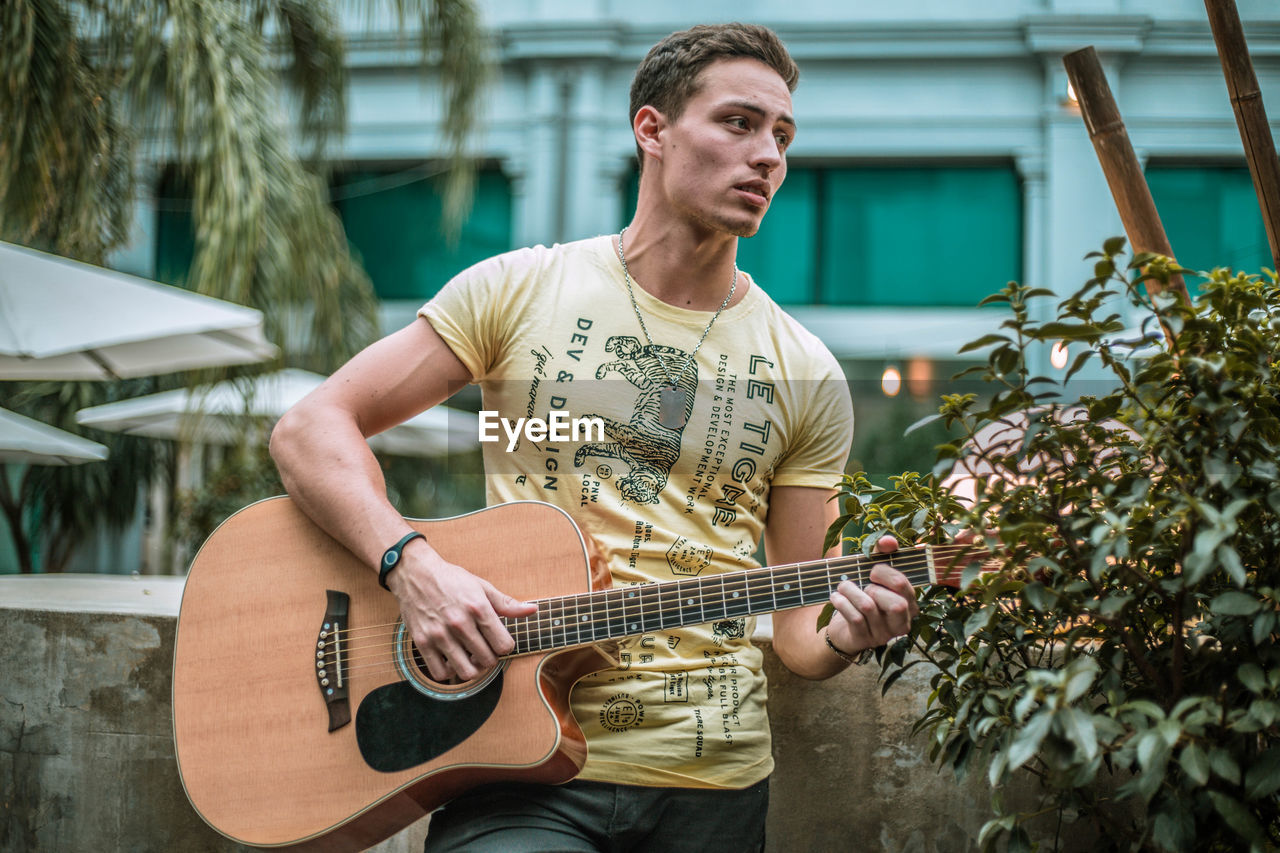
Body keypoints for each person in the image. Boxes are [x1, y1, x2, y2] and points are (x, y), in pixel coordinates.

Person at [270, 22, 919, 853]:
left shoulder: (804, 369)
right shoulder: (519, 287)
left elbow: (797, 625)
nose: (769, 157)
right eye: (739, 123)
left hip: (714, 782)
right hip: (513, 761)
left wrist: (845, 634)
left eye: (783, 136)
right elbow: (310, 427)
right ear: (652, 129)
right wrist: (414, 567)